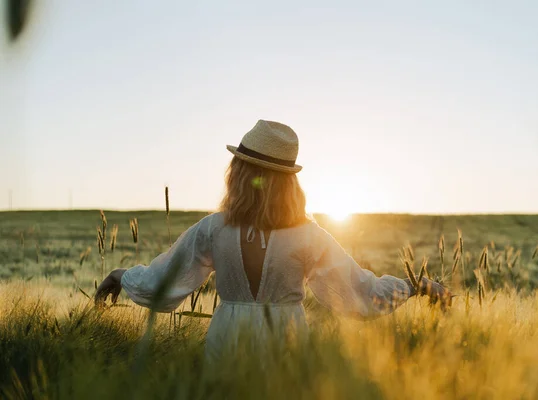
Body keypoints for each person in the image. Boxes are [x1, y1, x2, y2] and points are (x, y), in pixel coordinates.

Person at [94, 119, 451, 362]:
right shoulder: (310, 238)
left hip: (226, 344)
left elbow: (164, 282)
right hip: (287, 343)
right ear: (289, 183)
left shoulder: (213, 230)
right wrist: (417, 285)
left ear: (238, 174)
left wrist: (121, 276)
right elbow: (361, 291)